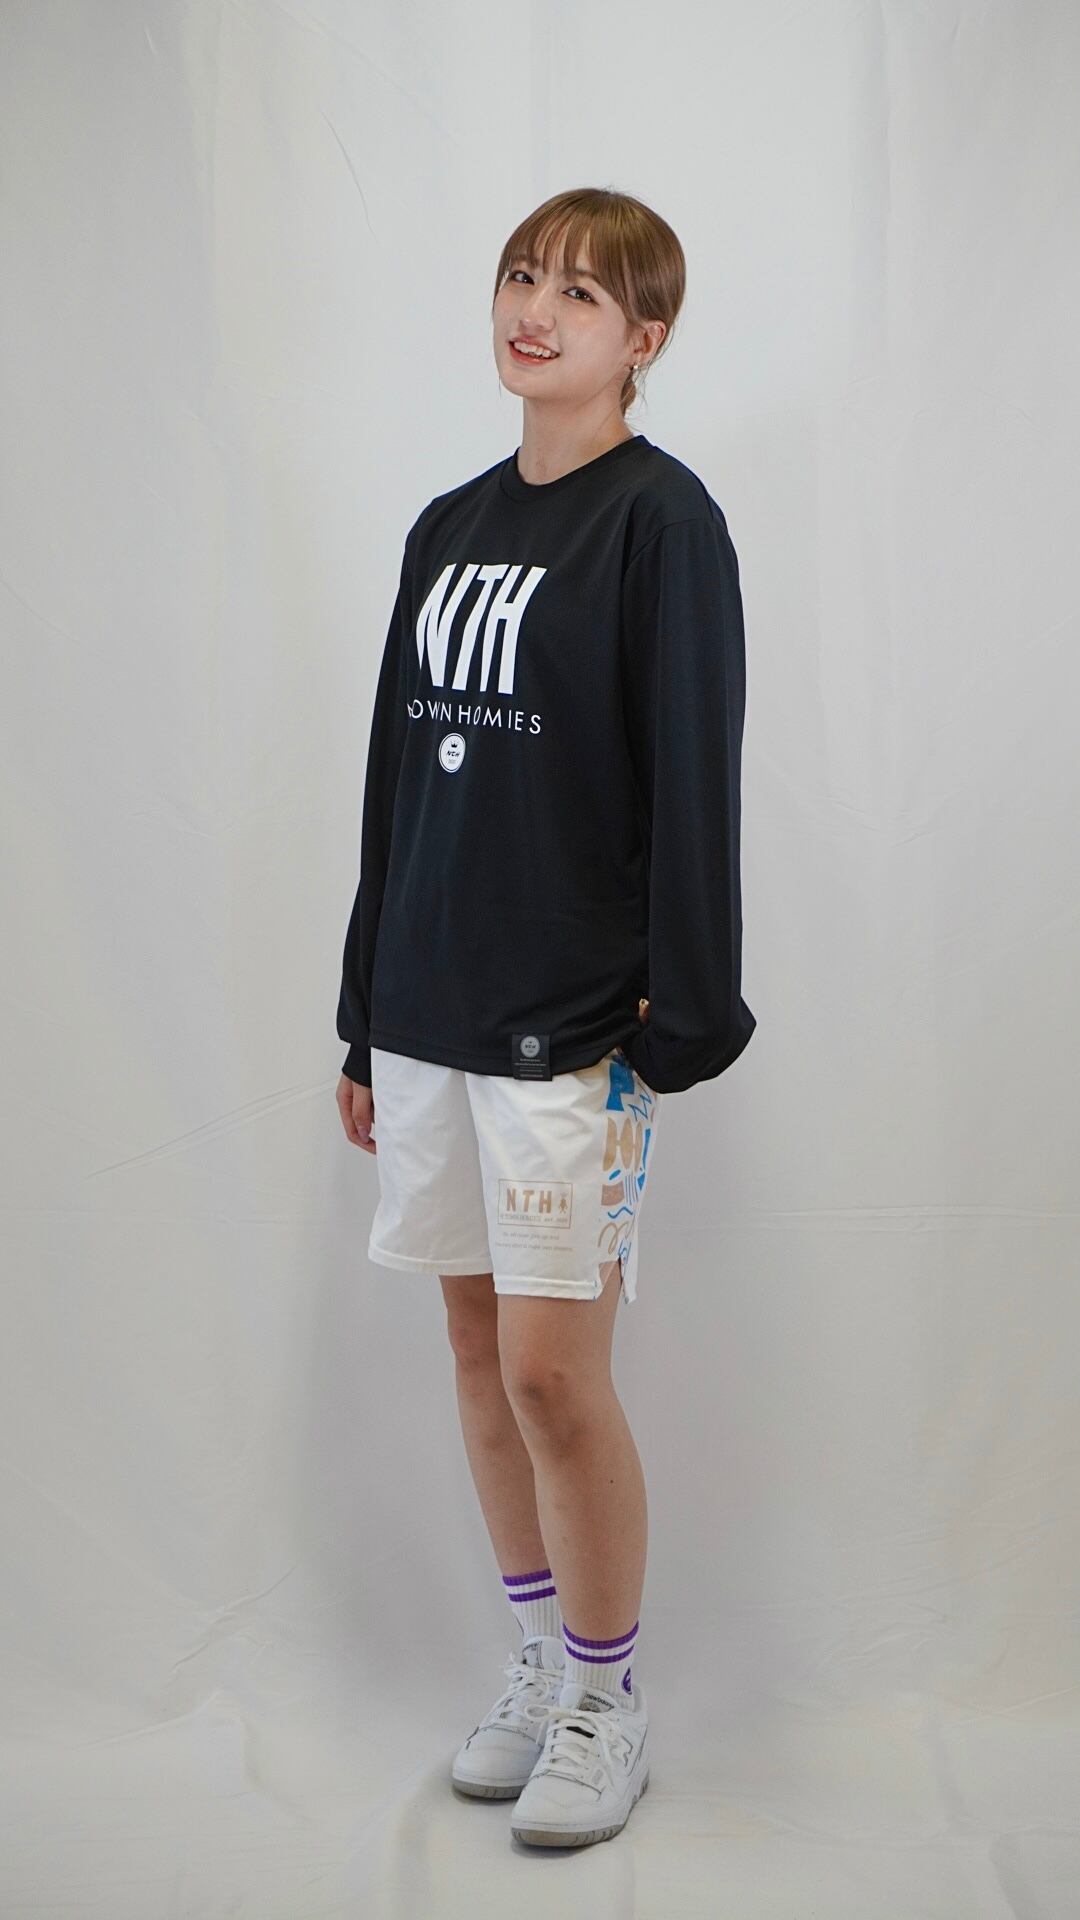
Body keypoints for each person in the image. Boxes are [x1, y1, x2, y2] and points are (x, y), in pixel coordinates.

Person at [334, 186, 756, 1849]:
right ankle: (536, 1660)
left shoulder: (662, 524)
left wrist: (686, 1008)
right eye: (523, 276)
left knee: (553, 1376)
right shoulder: (447, 526)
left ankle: (605, 1698)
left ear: (644, 338)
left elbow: (694, 774)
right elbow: (394, 787)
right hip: (432, 1008)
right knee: (469, 1345)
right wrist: (364, 1015)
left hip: (571, 1027)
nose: (538, 309)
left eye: (582, 293)